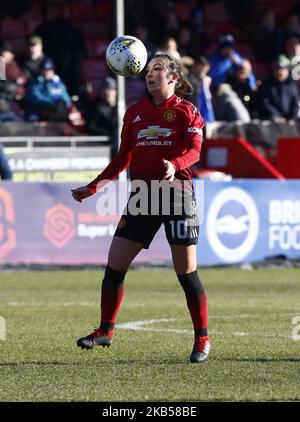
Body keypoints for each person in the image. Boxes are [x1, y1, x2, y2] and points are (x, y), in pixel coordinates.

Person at [71, 53, 210, 364]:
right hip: (142, 196)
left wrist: (174, 166)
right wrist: (93, 187)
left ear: (173, 78)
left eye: (157, 70)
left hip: (176, 195)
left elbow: (195, 151)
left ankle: (202, 339)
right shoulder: (135, 113)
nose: (150, 75)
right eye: (148, 70)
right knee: (114, 267)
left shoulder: (188, 112)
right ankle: (106, 330)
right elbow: (123, 159)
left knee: (186, 274)